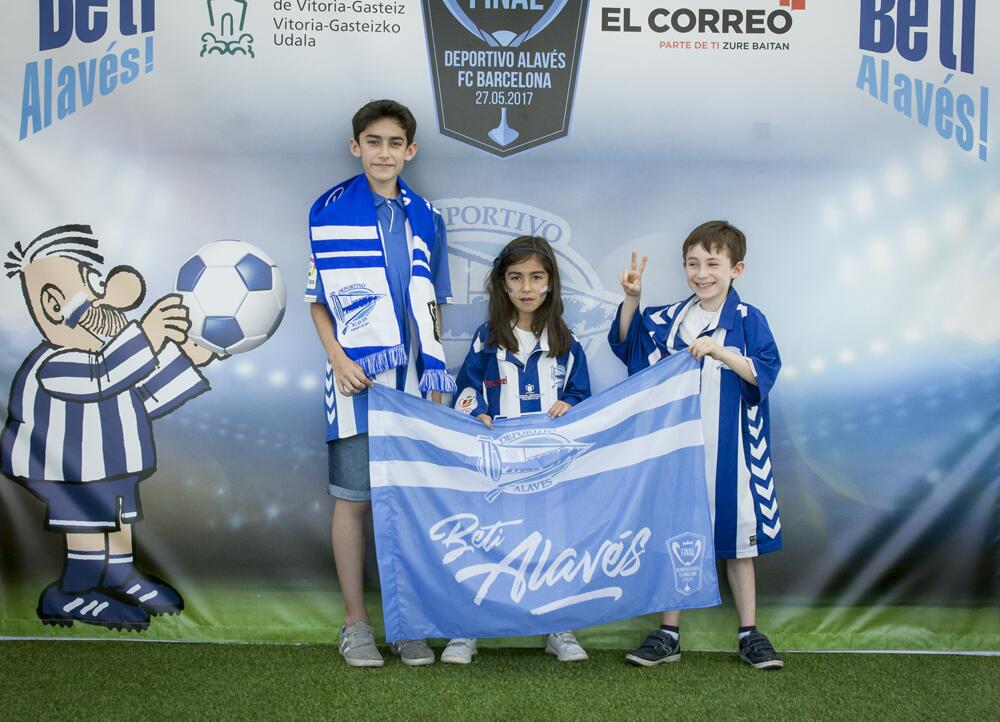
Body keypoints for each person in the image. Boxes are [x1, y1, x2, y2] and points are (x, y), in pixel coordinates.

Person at [1, 224, 214, 631]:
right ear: (52, 304)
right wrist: (148, 335)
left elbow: (145, 396)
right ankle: (71, 593)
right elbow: (103, 375)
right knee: (86, 521)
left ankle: (120, 574)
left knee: (118, 516)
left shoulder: (109, 357)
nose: (110, 300)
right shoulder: (56, 362)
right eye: (94, 285)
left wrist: (188, 359)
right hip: (68, 468)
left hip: (112, 465)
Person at [306, 99, 454, 667]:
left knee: (407, 502)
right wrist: (339, 359)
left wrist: (436, 372)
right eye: (373, 141)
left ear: (409, 151)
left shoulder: (425, 216)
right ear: (356, 147)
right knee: (355, 501)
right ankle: (355, 623)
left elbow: (435, 301)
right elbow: (318, 303)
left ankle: (407, 622)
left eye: (395, 143)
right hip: (356, 379)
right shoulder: (327, 211)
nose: (384, 152)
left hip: (414, 381)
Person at [608, 220, 784, 670]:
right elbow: (630, 348)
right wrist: (632, 298)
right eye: (693, 263)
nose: (701, 273)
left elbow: (763, 372)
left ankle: (749, 633)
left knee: (739, 547)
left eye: (712, 263)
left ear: (736, 269)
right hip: (679, 454)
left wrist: (721, 352)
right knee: (677, 539)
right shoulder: (672, 319)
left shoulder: (748, 320)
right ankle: (669, 632)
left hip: (734, 454)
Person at [443, 235, 591, 665]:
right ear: (503, 285)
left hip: (548, 465)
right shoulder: (487, 338)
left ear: (550, 284)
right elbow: (468, 388)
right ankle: (467, 628)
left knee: (552, 541)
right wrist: (479, 412)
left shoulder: (566, 341)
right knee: (487, 539)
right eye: (516, 278)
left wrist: (572, 406)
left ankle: (558, 626)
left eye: (536, 277)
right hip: (499, 463)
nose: (526, 287)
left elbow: (581, 395)